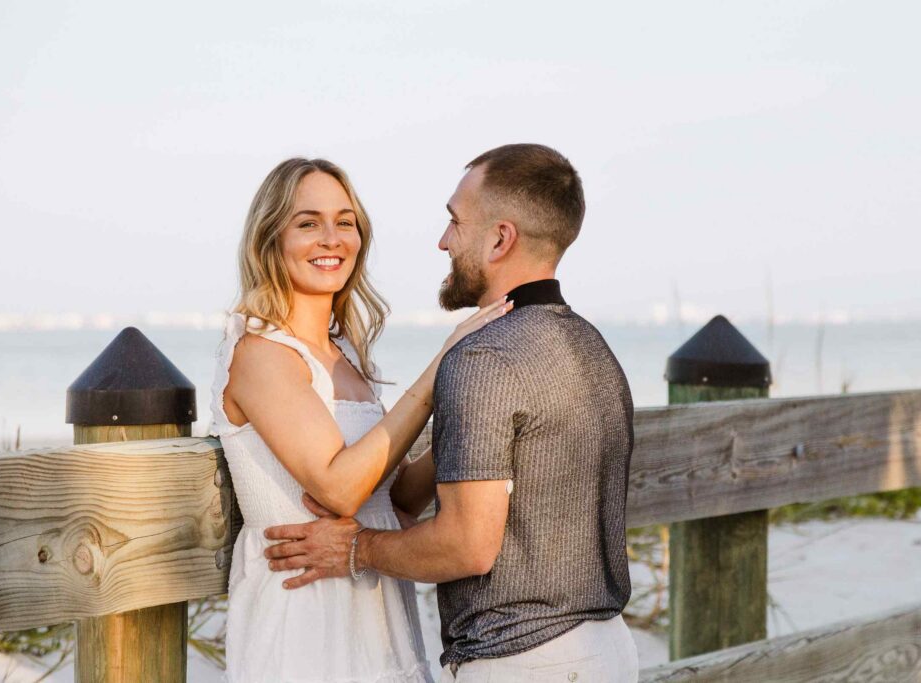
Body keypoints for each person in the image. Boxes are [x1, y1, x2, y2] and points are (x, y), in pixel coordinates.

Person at [264, 144, 639, 681]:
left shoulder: (483, 356)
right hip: (611, 653)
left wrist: (356, 548)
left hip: (522, 662)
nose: (443, 241)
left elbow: (465, 546)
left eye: (454, 222)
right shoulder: (591, 346)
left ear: (500, 239)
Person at [208, 157, 512, 682]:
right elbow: (339, 490)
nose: (331, 239)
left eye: (344, 222)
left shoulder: (344, 353)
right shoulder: (260, 351)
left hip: (373, 602)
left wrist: (481, 412)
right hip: (303, 611)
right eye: (308, 223)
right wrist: (441, 370)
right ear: (270, 239)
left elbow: (393, 498)